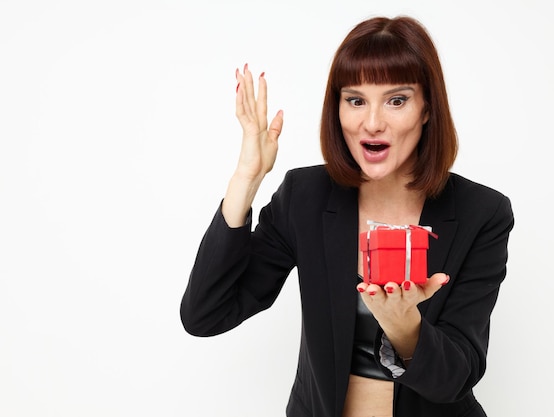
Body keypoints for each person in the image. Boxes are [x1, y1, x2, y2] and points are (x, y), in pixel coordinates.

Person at [180, 15, 514, 417]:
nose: (372, 123)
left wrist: (404, 326)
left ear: (427, 109)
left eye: (397, 100)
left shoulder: (483, 213)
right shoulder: (305, 197)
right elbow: (205, 314)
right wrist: (246, 179)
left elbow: (457, 378)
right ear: (337, 109)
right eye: (356, 100)